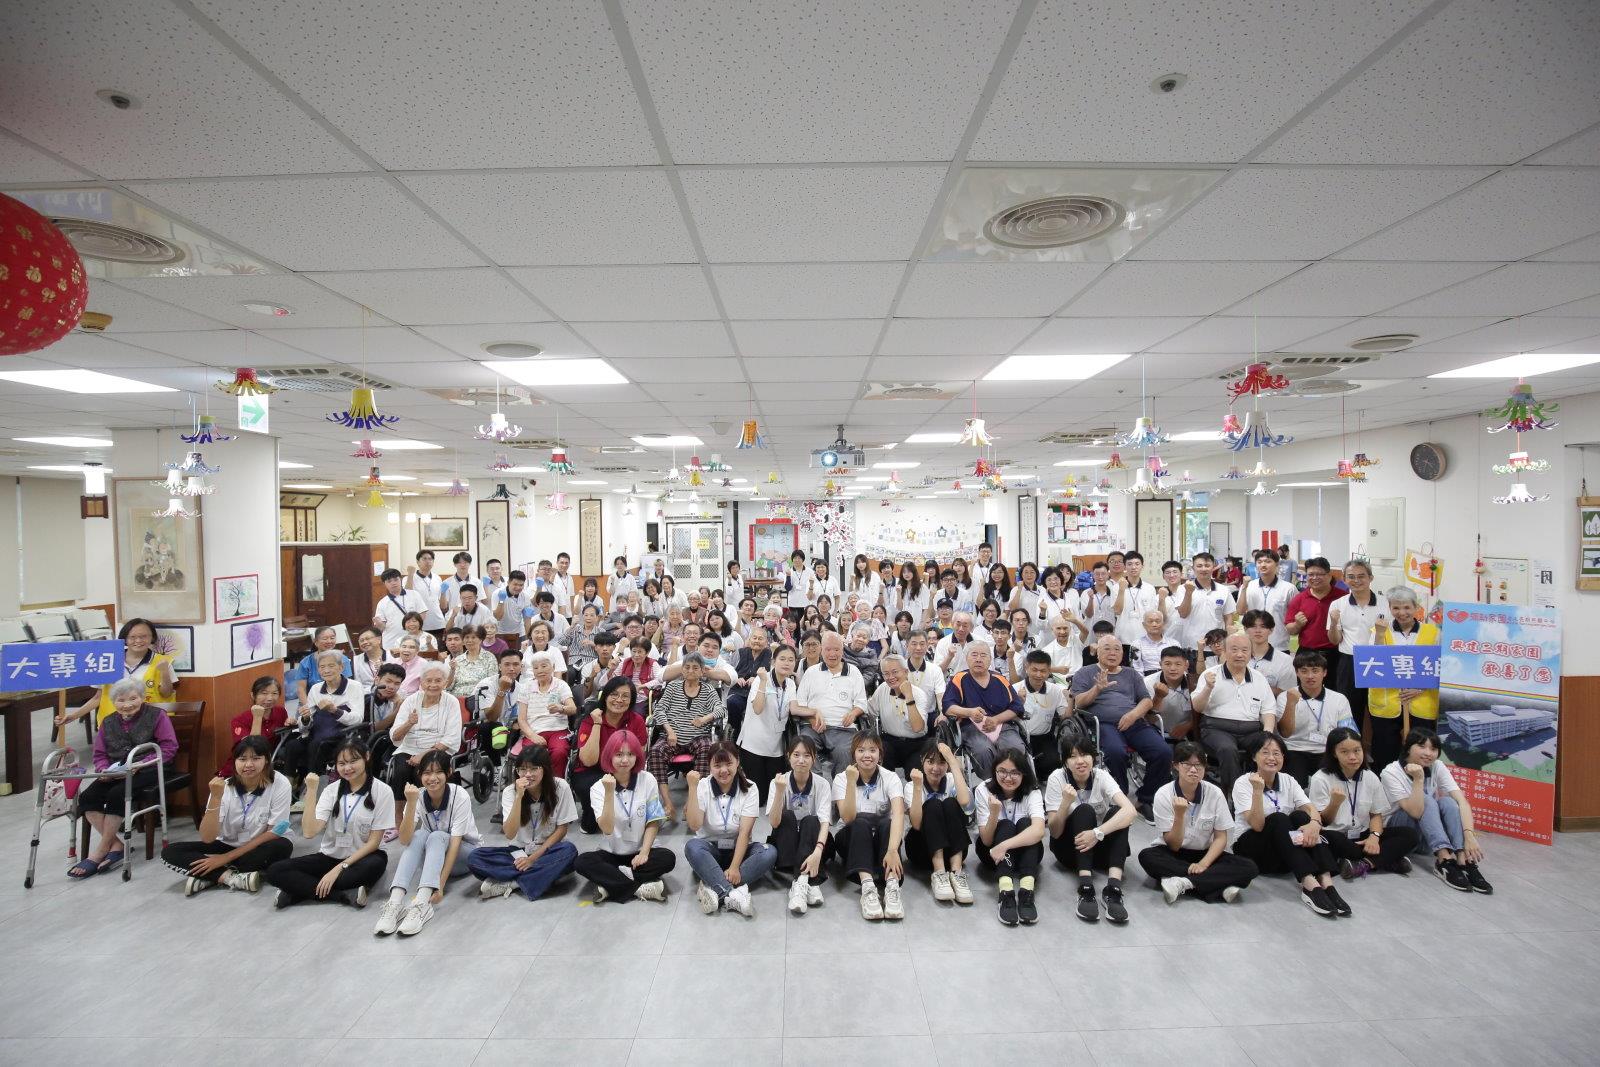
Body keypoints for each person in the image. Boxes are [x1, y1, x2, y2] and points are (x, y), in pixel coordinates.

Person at [68, 679, 179, 878]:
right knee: (87, 797)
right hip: (117, 771)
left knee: (117, 793)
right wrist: (103, 770)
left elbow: (169, 748)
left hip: (150, 769)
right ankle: (116, 845)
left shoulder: (157, 715)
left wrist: (141, 763)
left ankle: (101, 850)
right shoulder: (108, 722)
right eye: (121, 700)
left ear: (142, 697)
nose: (127, 704)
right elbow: (100, 754)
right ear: (113, 702)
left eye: (133, 698)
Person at [265, 741, 394, 908]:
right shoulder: (331, 790)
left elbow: (374, 843)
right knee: (275, 871)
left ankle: (297, 891)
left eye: (353, 761)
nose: (347, 768)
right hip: (330, 856)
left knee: (372, 867)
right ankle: (343, 895)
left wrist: (339, 868)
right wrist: (312, 790)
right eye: (342, 763)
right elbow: (309, 832)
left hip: (365, 857)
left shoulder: (382, 791)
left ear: (367, 757)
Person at [162, 734, 293, 895]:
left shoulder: (280, 783)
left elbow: (275, 831)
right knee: (170, 851)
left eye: (256, 758)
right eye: (242, 759)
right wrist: (215, 798)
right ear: (234, 761)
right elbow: (207, 837)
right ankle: (229, 877)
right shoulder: (223, 787)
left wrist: (225, 858)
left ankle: (210, 875)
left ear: (266, 760)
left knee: (281, 847)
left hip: (260, 844)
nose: (248, 764)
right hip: (227, 843)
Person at [1230, 735, 1344, 918]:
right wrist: (1257, 791)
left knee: (1301, 817)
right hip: (1253, 851)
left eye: (1277, 753)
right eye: (1265, 752)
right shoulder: (1243, 783)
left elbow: (1310, 808)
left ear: (1283, 757)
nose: (1271, 758)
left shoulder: (1288, 780)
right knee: (1279, 818)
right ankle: (1309, 884)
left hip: (1283, 852)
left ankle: (1326, 882)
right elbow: (1257, 826)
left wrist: (1314, 824)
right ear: (1254, 757)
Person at [374, 749, 481, 936]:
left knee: (436, 835)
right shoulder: (418, 796)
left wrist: (439, 886)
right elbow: (404, 839)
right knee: (419, 835)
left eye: (438, 772)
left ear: (448, 773)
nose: (432, 778)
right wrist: (411, 804)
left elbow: (455, 843)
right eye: (427, 773)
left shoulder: (460, 795)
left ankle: (422, 903)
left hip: (466, 855)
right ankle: (395, 902)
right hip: (434, 856)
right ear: (419, 775)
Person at [1138, 742, 1258, 905]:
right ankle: (1219, 884)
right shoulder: (1164, 794)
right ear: (1176, 765)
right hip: (1174, 853)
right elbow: (1174, 845)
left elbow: (1221, 838)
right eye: (1187, 764)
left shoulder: (1215, 793)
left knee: (1249, 867)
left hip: (1205, 853)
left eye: (1198, 765)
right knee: (1147, 857)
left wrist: (1203, 864)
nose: (1193, 770)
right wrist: (1179, 815)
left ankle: (1183, 882)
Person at [1069, 634, 1169, 823]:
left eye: (1117, 649)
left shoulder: (1132, 674)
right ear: (1097, 652)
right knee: (1115, 752)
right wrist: (1097, 689)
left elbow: (1146, 700)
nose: (1112, 653)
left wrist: (1133, 715)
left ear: (1122, 653)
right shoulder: (1085, 672)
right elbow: (1079, 703)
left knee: (1163, 752)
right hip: (1103, 723)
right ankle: (1120, 797)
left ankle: (1145, 799)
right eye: (1107, 648)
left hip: (1134, 721)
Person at [1381, 730, 1493, 894]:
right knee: (1426, 799)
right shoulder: (1391, 772)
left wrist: (1469, 836)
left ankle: (1462, 859)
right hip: (1402, 836)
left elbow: (1462, 802)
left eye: (1433, 749)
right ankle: (1444, 860)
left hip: (1428, 837)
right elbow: (1415, 812)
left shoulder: (1437, 766)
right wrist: (1418, 779)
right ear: (1408, 748)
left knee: (1449, 802)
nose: (1428, 753)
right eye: (1421, 746)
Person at [576, 731, 674, 903]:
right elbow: (607, 828)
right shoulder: (598, 788)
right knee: (582, 862)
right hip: (612, 853)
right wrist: (609, 792)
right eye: (619, 754)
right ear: (609, 756)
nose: (625, 760)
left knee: (668, 858)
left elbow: (653, 821)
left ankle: (610, 884)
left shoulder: (648, 779)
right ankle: (638, 888)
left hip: (641, 852)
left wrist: (644, 852)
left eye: (630, 754)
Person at [1309, 727, 1419, 879]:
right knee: (1331, 841)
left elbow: (1376, 814)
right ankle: (1386, 860)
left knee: (1410, 835)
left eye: (1357, 750)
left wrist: (1374, 836)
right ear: (1334, 753)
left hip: (1362, 834)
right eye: (1344, 752)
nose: (1353, 757)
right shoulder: (1321, 778)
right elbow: (1323, 821)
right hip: (1336, 834)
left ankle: (1364, 864)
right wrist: (1334, 803)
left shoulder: (1370, 776)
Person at [1046, 738, 1135, 924]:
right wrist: (1065, 803)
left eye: (1085, 754)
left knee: (1118, 813)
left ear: (1093, 758)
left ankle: (1113, 889)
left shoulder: (1101, 776)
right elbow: (1054, 832)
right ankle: (1086, 888)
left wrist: (1097, 833)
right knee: (1084, 810)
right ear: (1065, 762)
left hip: (1098, 848)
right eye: (1073, 756)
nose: (1080, 761)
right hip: (1070, 850)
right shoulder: (1057, 778)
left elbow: (1130, 811)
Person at [684, 744, 777, 918]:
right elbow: (695, 825)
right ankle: (731, 894)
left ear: (738, 762)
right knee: (692, 847)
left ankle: (712, 884)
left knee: (769, 852)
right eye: (717, 765)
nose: (724, 770)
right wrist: (692, 788)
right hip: (710, 850)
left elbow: (744, 833)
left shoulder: (750, 788)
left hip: (738, 851)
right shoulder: (702, 786)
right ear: (709, 766)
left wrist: (734, 867)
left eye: (728, 764)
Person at [833, 731, 906, 922]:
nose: (867, 755)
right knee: (859, 822)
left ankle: (891, 885)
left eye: (872, 750)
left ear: (880, 754)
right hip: (851, 839)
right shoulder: (842, 778)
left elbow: (899, 814)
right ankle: (868, 887)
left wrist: (893, 849)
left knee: (888, 822)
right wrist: (851, 782)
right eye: (861, 750)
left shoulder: (890, 777)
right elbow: (847, 817)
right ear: (853, 754)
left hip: (881, 843)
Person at [1366, 586, 1439, 771]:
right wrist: (1380, 634)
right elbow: (1372, 663)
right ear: (1390, 608)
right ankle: (1385, 784)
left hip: (1422, 701)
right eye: (1396, 608)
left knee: (1422, 749)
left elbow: (1440, 667)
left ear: (1416, 607)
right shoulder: (1378, 630)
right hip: (1387, 702)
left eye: (1407, 607)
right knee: (1384, 751)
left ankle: (1420, 783)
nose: (1402, 613)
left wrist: (1420, 688)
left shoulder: (1433, 632)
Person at [1192, 632, 1278, 790]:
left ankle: (1265, 789)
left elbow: (1268, 710)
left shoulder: (1259, 678)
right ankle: (1234, 794)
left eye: (1244, 650)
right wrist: (1208, 688)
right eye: (1234, 649)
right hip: (1216, 729)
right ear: (1224, 651)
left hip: (1251, 730)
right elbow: (1197, 707)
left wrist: (1267, 733)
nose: (1239, 654)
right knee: (1228, 749)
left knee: (1270, 746)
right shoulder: (1210, 674)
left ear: (1251, 653)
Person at [386, 662, 463, 836]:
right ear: (421, 682)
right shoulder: (411, 701)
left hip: (438, 750)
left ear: (445, 682)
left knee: (424, 772)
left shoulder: (451, 702)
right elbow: (395, 736)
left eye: (438, 680)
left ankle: (430, 818)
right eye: (429, 680)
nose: (433, 685)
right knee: (400, 771)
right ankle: (399, 817)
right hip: (408, 747)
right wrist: (409, 723)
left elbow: (450, 738)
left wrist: (423, 755)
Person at [974, 748, 1047, 926]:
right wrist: (994, 813)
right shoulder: (983, 789)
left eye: (1015, 772)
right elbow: (986, 840)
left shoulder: (1033, 791)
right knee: (1005, 825)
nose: (1008, 778)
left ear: (1024, 774)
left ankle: (1027, 892)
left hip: (1023, 853)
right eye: (1002, 771)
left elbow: (1039, 830)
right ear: (995, 771)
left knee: (1026, 823)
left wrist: (1005, 845)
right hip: (992, 853)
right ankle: (1005, 892)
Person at [647, 654, 724, 820]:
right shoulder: (673, 687)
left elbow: (720, 710)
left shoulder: (708, 690)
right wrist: (669, 731)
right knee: (655, 751)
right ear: (682, 670)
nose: (690, 671)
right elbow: (659, 710)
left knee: (707, 748)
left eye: (695, 668)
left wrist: (704, 719)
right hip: (671, 736)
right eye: (687, 667)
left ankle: (691, 802)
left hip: (698, 736)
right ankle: (667, 803)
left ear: (702, 671)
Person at [60, 618, 177, 726]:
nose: (138, 641)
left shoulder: (163, 661)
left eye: (144, 636)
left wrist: (164, 672)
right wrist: (73, 716)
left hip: (149, 725)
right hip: (114, 726)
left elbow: (166, 694)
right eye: (132, 637)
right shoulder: (107, 660)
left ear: (152, 638)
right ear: (125, 639)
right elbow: (97, 697)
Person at [572, 677, 648, 832]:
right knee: (591, 825)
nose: (619, 700)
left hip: (623, 768)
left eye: (625, 696)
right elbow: (588, 761)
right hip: (593, 770)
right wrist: (597, 724)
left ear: (631, 700)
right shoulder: (590, 719)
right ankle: (593, 816)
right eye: (614, 694)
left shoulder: (636, 720)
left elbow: (639, 756)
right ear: (605, 696)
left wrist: (621, 770)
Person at [940, 642, 1024, 779]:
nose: (978, 659)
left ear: (990, 660)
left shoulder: (999, 679)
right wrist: (969, 712)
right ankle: (990, 783)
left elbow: (1017, 706)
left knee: (1015, 747)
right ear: (967, 658)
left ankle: (1011, 781)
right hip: (971, 727)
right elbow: (948, 707)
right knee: (983, 750)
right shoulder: (959, 679)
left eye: (983, 655)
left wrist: (996, 719)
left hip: (1002, 725)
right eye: (974, 655)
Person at [768, 735, 832, 915]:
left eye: (807, 755)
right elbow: (774, 822)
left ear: (814, 758)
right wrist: (779, 792)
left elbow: (825, 822)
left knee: (811, 820)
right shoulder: (778, 782)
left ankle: (799, 883)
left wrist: (818, 851)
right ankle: (810, 882)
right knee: (787, 815)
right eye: (796, 755)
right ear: (788, 756)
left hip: (811, 843)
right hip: (786, 843)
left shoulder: (822, 784)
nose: (801, 760)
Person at [905, 739, 974, 906]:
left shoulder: (951, 779)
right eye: (930, 762)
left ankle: (957, 873)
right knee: (933, 804)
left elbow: (965, 802)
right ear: (922, 760)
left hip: (953, 850)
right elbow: (916, 824)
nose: (936, 768)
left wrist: (953, 762)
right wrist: (918, 787)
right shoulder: (912, 785)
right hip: (923, 851)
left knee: (950, 803)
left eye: (942, 763)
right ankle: (939, 873)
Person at [280, 649, 367, 781]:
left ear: (341, 667)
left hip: (341, 737)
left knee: (317, 744)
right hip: (316, 735)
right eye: (322, 667)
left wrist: (335, 710)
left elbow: (358, 719)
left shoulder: (354, 687)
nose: (326, 670)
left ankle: (312, 783)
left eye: (331, 666)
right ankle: (289, 782)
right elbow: (304, 727)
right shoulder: (316, 689)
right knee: (293, 745)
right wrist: (305, 719)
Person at [794, 631, 869, 778]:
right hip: (812, 727)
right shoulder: (811, 672)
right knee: (805, 748)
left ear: (843, 650)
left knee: (845, 752)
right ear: (822, 650)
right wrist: (812, 719)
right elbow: (801, 703)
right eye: (828, 649)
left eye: (836, 649)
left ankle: (840, 790)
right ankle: (815, 785)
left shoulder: (853, 672)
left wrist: (853, 713)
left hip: (843, 728)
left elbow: (861, 703)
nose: (832, 654)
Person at [1327, 559, 1390, 728]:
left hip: (1379, 661)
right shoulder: (1337, 604)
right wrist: (1333, 623)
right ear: (1344, 579)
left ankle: (1376, 745)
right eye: (1351, 576)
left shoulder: (1386, 603)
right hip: (1349, 662)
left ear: (1371, 578)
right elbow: (1334, 640)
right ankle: (1351, 744)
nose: (1356, 580)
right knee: (1350, 711)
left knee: (1379, 712)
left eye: (1361, 576)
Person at [1278, 651, 1355, 784]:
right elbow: (1285, 733)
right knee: (1294, 786)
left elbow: (1348, 733)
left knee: (1332, 785)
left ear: (1324, 672)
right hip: (1295, 749)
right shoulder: (1285, 696)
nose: (1310, 676)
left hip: (1327, 750)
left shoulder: (1339, 699)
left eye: (1315, 671)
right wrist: (1290, 703)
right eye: (1304, 671)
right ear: (1297, 673)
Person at [739, 645, 796, 806]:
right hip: (753, 746)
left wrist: (815, 712)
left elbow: (794, 708)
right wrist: (764, 681)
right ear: (773, 661)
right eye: (782, 659)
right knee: (759, 799)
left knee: (775, 796)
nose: (786, 663)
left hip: (776, 748)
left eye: (791, 660)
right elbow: (757, 709)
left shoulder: (791, 684)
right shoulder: (760, 680)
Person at [512, 651, 577, 774]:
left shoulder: (561, 685)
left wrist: (561, 708)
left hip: (558, 730)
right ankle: (533, 783)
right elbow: (521, 719)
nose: (540, 670)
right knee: (530, 755)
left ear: (553, 667)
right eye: (536, 668)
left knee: (559, 752)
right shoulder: (526, 687)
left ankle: (557, 782)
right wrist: (532, 736)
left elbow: (573, 709)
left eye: (544, 666)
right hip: (534, 731)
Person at [1015, 650, 1069, 780]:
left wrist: (1071, 698)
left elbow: (1065, 717)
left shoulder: (1055, 690)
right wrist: (1019, 704)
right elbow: (1009, 718)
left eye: (1043, 671)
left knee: (1053, 765)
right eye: (1034, 670)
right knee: (1021, 769)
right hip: (1019, 737)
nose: (1039, 675)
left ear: (1049, 671)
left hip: (1045, 736)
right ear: (1027, 668)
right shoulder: (1015, 689)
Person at [1285, 557, 1341, 679]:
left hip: (1335, 654)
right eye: (1311, 574)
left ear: (1329, 576)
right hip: (1306, 654)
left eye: (1319, 574)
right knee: (1305, 688)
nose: (1315, 578)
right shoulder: (1299, 598)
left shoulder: (1342, 597)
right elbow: (1290, 629)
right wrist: (1297, 624)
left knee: (1334, 688)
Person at [223, 676, 289, 778]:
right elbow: (251, 748)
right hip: (244, 769)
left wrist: (290, 723)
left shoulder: (281, 712)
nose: (270, 698)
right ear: (253, 695)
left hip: (270, 764)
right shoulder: (239, 720)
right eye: (264, 693)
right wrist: (257, 717)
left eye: (274, 693)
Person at [285, 626, 352, 708]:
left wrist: (334, 708)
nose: (329, 641)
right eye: (325, 638)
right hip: (311, 702)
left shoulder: (343, 660)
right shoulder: (306, 662)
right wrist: (308, 708)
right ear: (315, 641)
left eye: (332, 638)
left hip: (337, 703)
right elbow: (301, 689)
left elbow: (347, 686)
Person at [1242, 549, 1294, 650]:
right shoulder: (1249, 586)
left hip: (1279, 644)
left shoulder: (1289, 588)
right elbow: (1240, 611)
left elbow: (1293, 616)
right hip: (1253, 644)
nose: (1263, 565)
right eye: (1259, 562)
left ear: (1277, 564)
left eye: (1268, 561)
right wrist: (1244, 588)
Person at [1144, 646, 1196, 739]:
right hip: (1155, 730)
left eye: (1178, 664)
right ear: (1160, 664)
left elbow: (1203, 714)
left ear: (1186, 665)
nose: (1172, 668)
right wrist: (1158, 697)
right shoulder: (1147, 683)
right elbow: (1149, 720)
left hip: (1188, 732)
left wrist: (1189, 726)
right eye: (1167, 664)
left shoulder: (1194, 683)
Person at [373, 568, 430, 652]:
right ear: (385, 584)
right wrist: (379, 623)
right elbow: (382, 628)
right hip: (391, 642)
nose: (393, 583)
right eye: (389, 581)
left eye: (396, 579)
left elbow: (422, 614)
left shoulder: (414, 594)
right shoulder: (382, 603)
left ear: (401, 579)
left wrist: (414, 628)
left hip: (414, 640)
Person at [1241, 610, 1294, 694]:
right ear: (1245, 629)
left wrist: (1255, 688)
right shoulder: (1236, 657)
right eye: (1253, 626)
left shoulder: (1285, 660)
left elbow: (1289, 693)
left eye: (1263, 626)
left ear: (1271, 630)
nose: (1258, 631)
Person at [447, 624, 498, 700]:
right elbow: (449, 687)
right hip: (458, 699)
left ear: (480, 639)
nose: (469, 640)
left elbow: (492, 684)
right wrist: (452, 670)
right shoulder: (458, 660)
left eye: (473, 637)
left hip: (480, 699)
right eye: (467, 637)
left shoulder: (489, 658)